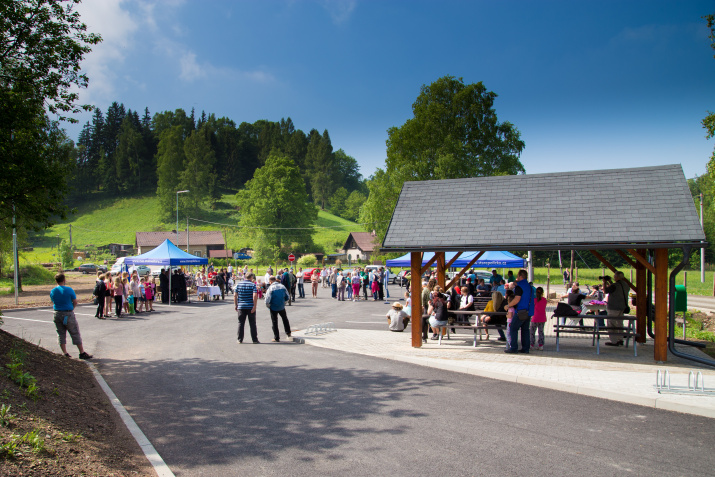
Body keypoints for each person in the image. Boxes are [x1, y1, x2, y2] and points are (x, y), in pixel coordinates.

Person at [50, 273, 92, 360]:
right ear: (64, 280)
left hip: (57, 313)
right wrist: (72, 309)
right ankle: (81, 352)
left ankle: (65, 353)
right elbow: (75, 301)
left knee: (61, 333)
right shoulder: (69, 290)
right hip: (67, 313)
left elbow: (53, 301)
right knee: (74, 332)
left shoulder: (53, 291)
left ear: (56, 281)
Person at [504, 269, 533, 354]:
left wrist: (508, 305)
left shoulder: (519, 286)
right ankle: (525, 348)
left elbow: (517, 299)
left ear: (520, 276)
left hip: (520, 311)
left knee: (513, 328)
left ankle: (513, 348)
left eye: (517, 276)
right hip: (529, 311)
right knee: (525, 330)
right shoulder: (529, 286)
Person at [603, 271, 629, 346]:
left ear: (617, 277)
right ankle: (620, 339)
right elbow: (616, 288)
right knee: (620, 324)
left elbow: (605, 291)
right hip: (622, 307)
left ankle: (614, 341)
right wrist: (610, 281)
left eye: (615, 276)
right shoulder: (625, 285)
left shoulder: (615, 285)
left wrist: (604, 283)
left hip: (613, 307)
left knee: (612, 325)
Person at [265, 275, 292, 342]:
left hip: (273, 307)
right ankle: (288, 332)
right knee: (285, 319)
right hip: (281, 306)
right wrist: (284, 303)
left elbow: (267, 300)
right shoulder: (282, 286)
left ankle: (276, 337)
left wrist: (269, 306)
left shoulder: (270, 288)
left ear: (270, 281)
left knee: (274, 322)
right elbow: (287, 296)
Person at [234, 272, 259, 344]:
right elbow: (255, 295)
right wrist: (254, 306)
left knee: (241, 323)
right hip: (250, 306)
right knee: (252, 323)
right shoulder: (252, 285)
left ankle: (239, 339)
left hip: (241, 306)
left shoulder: (239, 284)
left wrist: (236, 305)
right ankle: (254, 339)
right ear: (251, 277)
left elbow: (235, 295)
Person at [530, 287, 547, 351]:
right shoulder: (544, 300)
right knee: (541, 332)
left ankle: (531, 344)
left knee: (532, 332)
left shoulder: (534, 300)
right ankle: (541, 345)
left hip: (535, 318)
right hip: (542, 318)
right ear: (542, 293)